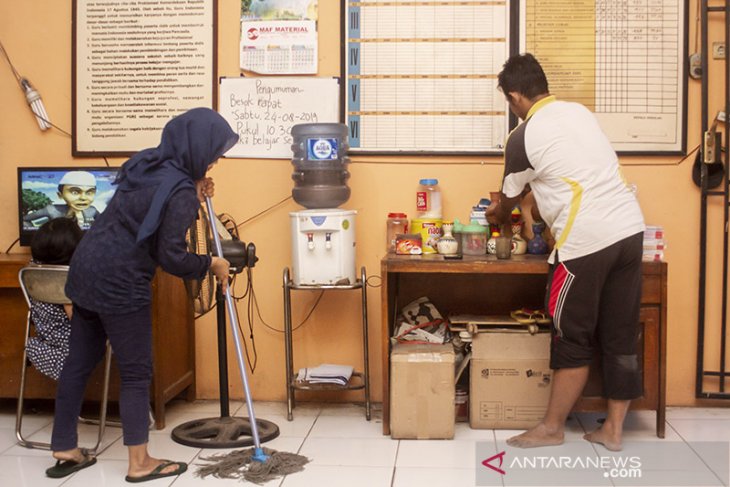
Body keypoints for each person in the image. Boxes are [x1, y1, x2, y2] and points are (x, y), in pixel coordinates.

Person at [45, 108, 237, 482]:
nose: (217, 160)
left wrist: (194, 189)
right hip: (120, 282)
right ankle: (140, 464)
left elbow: (153, 206)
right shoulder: (179, 190)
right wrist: (212, 263)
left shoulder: (151, 165)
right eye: (214, 152)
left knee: (79, 362)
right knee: (136, 374)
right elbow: (172, 257)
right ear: (196, 147)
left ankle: (64, 446)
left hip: (85, 269)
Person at [486, 53, 645, 452]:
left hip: (586, 242)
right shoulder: (580, 113)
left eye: (509, 100)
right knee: (620, 334)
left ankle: (552, 427)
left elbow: (506, 202)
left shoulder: (522, 136)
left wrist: (500, 213)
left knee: (570, 334)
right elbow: (567, 175)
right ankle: (612, 430)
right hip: (629, 230)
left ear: (516, 96)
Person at [26, 217, 83, 380]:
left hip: (45, 336)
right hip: (72, 344)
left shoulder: (32, 267)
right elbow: (76, 320)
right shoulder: (65, 279)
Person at [23, 171, 100, 229]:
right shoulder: (51, 210)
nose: (83, 198)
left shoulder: (92, 211)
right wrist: (38, 232)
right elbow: (24, 220)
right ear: (60, 195)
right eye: (75, 192)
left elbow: (107, 225)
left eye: (89, 192)